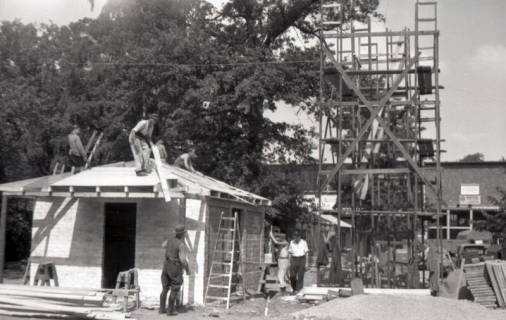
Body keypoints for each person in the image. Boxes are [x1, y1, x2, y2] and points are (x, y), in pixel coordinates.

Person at [160, 224, 190, 316]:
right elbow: (183, 260)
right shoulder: (181, 245)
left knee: (165, 288)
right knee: (175, 288)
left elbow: (163, 245)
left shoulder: (169, 240)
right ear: (183, 234)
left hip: (166, 266)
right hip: (175, 267)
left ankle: (161, 309)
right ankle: (170, 311)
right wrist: (188, 270)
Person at [288, 230, 309, 294]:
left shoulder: (304, 242)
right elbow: (290, 253)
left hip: (301, 259)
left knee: (300, 275)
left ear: (300, 236)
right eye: (295, 236)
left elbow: (306, 253)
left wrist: (307, 263)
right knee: (292, 275)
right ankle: (294, 288)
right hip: (294, 259)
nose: (296, 238)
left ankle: (299, 289)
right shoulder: (291, 242)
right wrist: (289, 262)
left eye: (297, 236)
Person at [269, 230, 290, 295]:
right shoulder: (282, 244)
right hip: (281, 260)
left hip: (284, 260)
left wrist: (271, 236)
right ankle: (283, 291)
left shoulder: (285, 242)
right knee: (282, 276)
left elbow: (276, 242)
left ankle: (283, 290)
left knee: (280, 276)